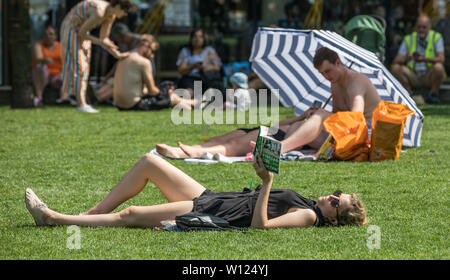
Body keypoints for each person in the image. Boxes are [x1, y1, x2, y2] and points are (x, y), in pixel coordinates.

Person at [24, 151, 367, 229]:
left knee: (131, 216)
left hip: (215, 212)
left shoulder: (309, 216)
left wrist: (267, 183)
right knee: (150, 162)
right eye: (337, 193)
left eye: (337, 202)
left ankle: (54, 218)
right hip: (216, 196)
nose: (331, 196)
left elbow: (261, 227)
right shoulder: (309, 203)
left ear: (335, 218)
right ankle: (93, 213)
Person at [158, 47, 381, 159]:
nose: (327, 77)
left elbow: (355, 118)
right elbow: (338, 118)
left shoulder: (356, 81)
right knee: (245, 133)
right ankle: (196, 149)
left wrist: (321, 115)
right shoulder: (337, 81)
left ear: (339, 63)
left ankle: (279, 149)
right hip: (335, 136)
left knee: (260, 136)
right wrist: (311, 115)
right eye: (323, 73)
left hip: (358, 140)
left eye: (328, 71)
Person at [60, 0, 136, 113]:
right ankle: (80, 104)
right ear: (117, 7)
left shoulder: (110, 15)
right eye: (125, 11)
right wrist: (100, 43)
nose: (125, 14)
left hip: (82, 31)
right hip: (71, 28)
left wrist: (117, 54)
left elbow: (104, 38)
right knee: (79, 66)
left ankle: (81, 101)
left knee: (85, 67)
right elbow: (82, 34)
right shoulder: (99, 12)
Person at [114, 35, 195, 111]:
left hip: (119, 105)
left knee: (178, 101)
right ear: (145, 45)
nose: (152, 56)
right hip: (134, 104)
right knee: (170, 93)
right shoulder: (143, 62)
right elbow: (152, 91)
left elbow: (137, 89)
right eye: (152, 51)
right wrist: (165, 93)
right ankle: (195, 103)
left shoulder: (124, 57)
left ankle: (192, 103)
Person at [391, 15, 445, 104]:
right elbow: (396, 60)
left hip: (429, 75)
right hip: (413, 75)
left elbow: (441, 59)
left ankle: (433, 95)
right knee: (395, 68)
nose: (421, 30)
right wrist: (407, 58)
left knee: (439, 67)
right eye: (419, 27)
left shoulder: (436, 37)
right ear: (415, 27)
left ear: (429, 27)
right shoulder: (409, 38)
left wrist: (425, 59)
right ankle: (409, 94)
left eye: (424, 27)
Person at [176, 28, 224, 98]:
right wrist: (193, 67)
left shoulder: (209, 51)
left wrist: (205, 68)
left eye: (200, 36)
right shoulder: (186, 51)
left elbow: (217, 67)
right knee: (189, 91)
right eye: (195, 36)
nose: (197, 39)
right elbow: (181, 70)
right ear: (191, 38)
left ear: (204, 39)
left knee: (215, 89)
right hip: (190, 79)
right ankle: (182, 101)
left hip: (207, 79)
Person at [31, 25, 70, 106]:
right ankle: (39, 98)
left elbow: (67, 62)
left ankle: (64, 99)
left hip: (57, 76)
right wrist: (45, 60)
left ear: (56, 36)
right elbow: (38, 59)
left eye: (51, 34)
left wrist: (62, 73)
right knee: (41, 66)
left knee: (67, 75)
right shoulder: (38, 45)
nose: (48, 36)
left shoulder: (61, 46)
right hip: (43, 76)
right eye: (46, 34)